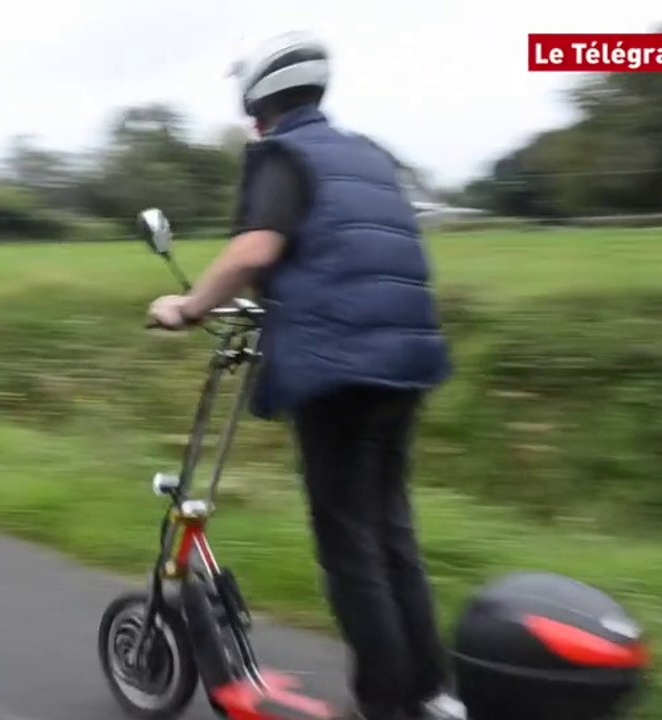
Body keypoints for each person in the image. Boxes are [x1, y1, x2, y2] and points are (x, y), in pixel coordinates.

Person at [145, 31, 465, 720]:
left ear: (258, 97)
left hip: (340, 363)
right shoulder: (367, 155)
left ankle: (385, 703)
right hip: (407, 357)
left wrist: (189, 306)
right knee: (390, 531)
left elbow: (257, 247)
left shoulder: (281, 153)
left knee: (349, 542)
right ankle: (432, 690)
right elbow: (351, 245)